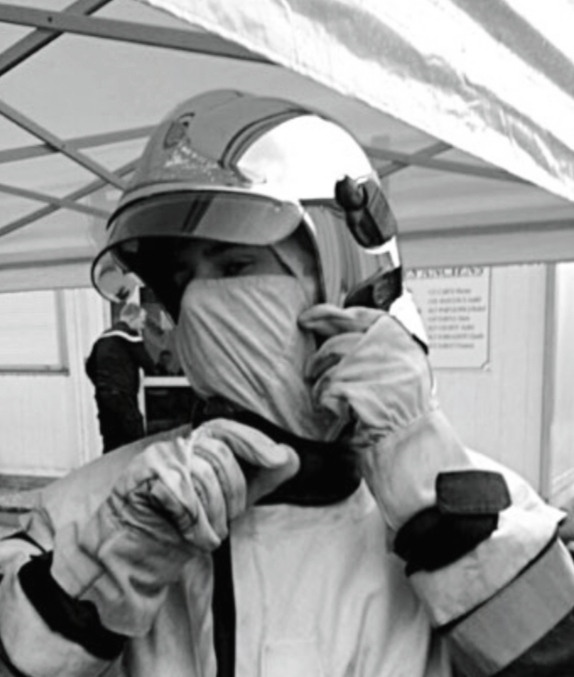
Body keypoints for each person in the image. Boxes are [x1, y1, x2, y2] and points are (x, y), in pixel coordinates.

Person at [0, 90, 573, 677]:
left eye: (234, 266)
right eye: (181, 280)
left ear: (345, 276)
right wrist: (100, 572)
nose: (199, 304)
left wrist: (442, 515)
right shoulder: (95, 508)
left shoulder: (482, 507)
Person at [85, 302, 156, 453]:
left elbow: (90, 366)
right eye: (142, 321)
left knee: (111, 440)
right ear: (132, 319)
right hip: (122, 395)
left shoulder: (103, 338)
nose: (143, 326)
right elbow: (147, 364)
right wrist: (162, 372)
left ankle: (109, 467)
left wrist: (101, 383)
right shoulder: (129, 336)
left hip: (103, 396)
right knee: (135, 438)